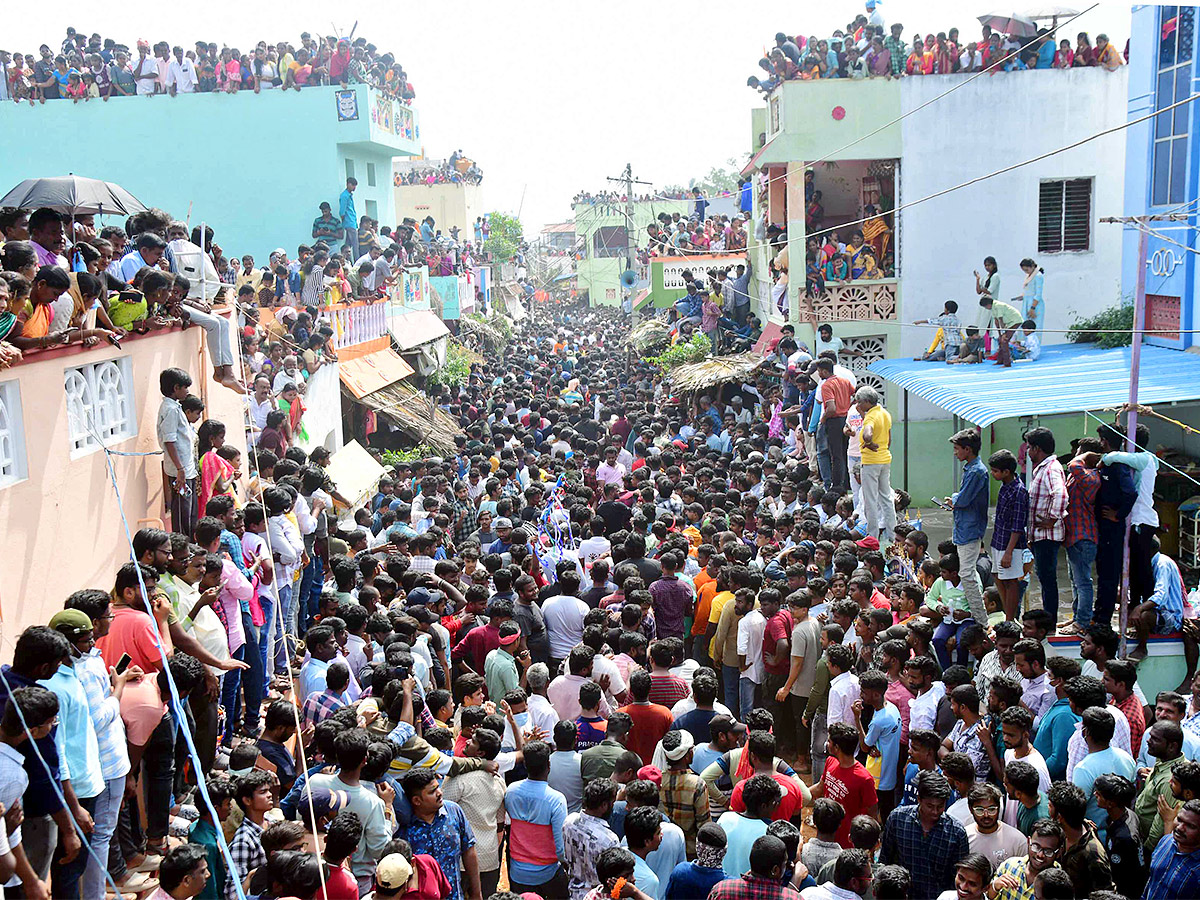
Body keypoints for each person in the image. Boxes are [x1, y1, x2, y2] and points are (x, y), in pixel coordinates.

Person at [880, 771, 969, 899]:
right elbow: (885, 860)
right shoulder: (897, 819)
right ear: (919, 799)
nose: (935, 811)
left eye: (940, 806)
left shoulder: (956, 833)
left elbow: (958, 877)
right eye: (930, 806)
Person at [1024, 427, 1067, 620]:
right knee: (1044, 578)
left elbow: (1060, 493)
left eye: (1029, 447)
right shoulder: (1043, 468)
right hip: (1039, 536)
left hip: (1047, 536)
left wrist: (1052, 518)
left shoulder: (1051, 469)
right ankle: (1048, 618)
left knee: (1048, 580)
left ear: (1037, 448)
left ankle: (1049, 620)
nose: (1027, 451)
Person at [855, 386, 895, 545]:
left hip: (871, 462)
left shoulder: (870, 417)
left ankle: (872, 538)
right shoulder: (884, 413)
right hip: (884, 459)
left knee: (870, 501)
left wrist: (868, 442)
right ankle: (892, 535)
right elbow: (889, 439)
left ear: (866, 402)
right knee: (886, 499)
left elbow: (868, 433)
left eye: (859, 401)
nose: (857, 404)